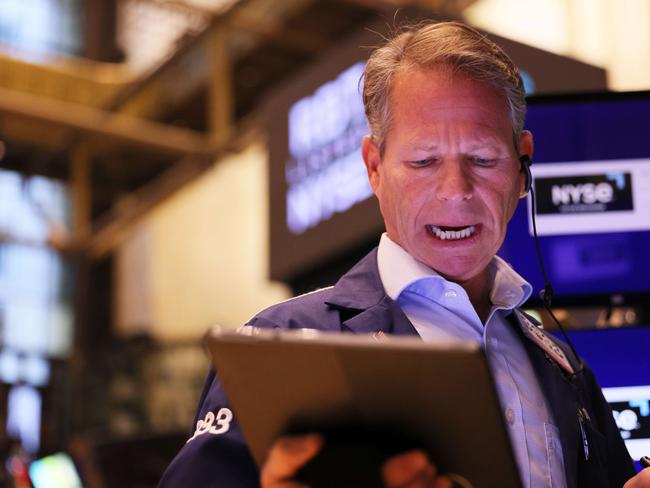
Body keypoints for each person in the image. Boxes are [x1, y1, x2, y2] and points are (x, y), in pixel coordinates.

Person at [160, 21, 647, 487]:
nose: (456, 191)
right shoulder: (283, 344)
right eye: (424, 161)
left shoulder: (564, 366)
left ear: (523, 165)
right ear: (374, 167)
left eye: (483, 158)